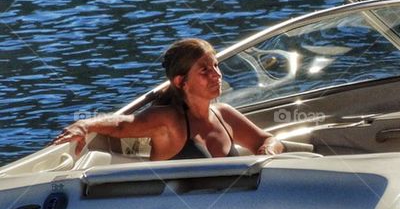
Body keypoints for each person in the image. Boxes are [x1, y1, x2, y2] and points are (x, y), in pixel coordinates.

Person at [53, 38, 285, 159]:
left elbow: (267, 140)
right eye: (204, 70)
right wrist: (84, 124)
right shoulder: (168, 120)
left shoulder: (223, 114)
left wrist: (269, 151)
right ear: (180, 81)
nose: (217, 74)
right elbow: (122, 124)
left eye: (216, 66)